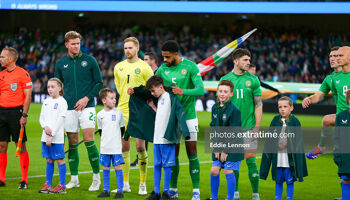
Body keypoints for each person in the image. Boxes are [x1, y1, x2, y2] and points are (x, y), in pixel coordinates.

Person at [54, 31, 103, 191]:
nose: (76, 46)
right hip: (69, 109)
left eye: (78, 43)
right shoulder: (61, 63)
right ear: (67, 44)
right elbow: (57, 86)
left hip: (87, 107)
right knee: (73, 143)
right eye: (73, 43)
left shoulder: (90, 61)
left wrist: (86, 98)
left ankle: (96, 178)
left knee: (89, 140)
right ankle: (74, 179)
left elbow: (99, 83)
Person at [156, 40, 204, 200]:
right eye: (163, 57)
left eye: (167, 57)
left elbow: (201, 89)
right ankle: (173, 189)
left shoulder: (191, 67)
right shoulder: (162, 69)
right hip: (172, 119)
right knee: (173, 155)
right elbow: (153, 88)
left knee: (192, 152)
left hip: (189, 118)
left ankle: (196, 190)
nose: (164, 60)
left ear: (176, 54)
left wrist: (183, 91)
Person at [220, 48, 262, 200]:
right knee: (232, 162)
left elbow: (258, 105)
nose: (248, 63)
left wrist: (257, 126)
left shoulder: (253, 80)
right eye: (245, 60)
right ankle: (235, 193)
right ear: (236, 61)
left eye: (249, 60)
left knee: (250, 159)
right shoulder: (225, 80)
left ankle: (255, 194)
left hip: (249, 127)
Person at [114, 37, 154, 195]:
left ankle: (142, 183)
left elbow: (152, 89)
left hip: (140, 111)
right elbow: (119, 87)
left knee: (139, 146)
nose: (127, 51)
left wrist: (137, 92)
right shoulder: (119, 67)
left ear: (137, 49)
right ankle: (125, 183)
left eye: (130, 48)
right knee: (124, 146)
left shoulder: (145, 67)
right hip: (122, 109)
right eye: (125, 48)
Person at [143, 75, 190, 200]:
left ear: (161, 87)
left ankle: (166, 192)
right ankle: (156, 193)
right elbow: (162, 114)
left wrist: (185, 132)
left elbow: (180, 113)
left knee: (167, 165)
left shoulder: (170, 97)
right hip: (157, 137)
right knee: (157, 164)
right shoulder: (160, 99)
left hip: (166, 138)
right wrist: (153, 107)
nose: (152, 93)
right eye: (151, 91)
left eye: (153, 90)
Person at [260, 96, 307, 200]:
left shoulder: (295, 121)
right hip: (278, 159)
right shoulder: (275, 120)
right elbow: (270, 139)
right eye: (280, 107)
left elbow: (298, 141)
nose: (282, 109)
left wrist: (287, 143)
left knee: (290, 181)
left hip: (289, 160)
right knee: (278, 181)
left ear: (291, 108)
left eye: (285, 106)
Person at [0, 47, 32, 189]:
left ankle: (24, 180)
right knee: (1, 145)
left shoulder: (23, 74)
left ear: (11, 59)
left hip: (16, 112)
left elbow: (28, 96)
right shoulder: (1, 75)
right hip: (2, 113)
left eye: (2, 57)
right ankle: (1, 179)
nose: (0, 59)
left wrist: (24, 114)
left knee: (20, 145)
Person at [207, 80, 244, 200]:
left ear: (231, 94)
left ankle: (230, 198)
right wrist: (217, 148)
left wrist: (225, 151)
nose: (222, 94)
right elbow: (214, 128)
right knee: (214, 171)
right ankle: (213, 198)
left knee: (228, 170)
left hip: (233, 146)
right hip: (219, 144)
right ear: (217, 92)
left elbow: (234, 133)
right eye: (220, 91)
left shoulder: (235, 110)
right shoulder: (214, 107)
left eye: (226, 92)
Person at [302, 47, 341, 159]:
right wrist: (309, 98)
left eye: (336, 56)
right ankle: (321, 147)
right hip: (342, 116)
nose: (332, 59)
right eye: (330, 56)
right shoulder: (329, 79)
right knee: (326, 120)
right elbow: (318, 96)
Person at [38, 78, 68, 194]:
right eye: (48, 87)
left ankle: (62, 186)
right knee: (49, 159)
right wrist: (45, 127)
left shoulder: (62, 102)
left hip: (57, 137)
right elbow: (41, 117)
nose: (50, 89)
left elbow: (60, 120)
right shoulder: (46, 101)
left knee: (60, 159)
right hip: (45, 135)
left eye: (53, 87)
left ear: (59, 88)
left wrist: (52, 135)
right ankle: (48, 184)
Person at [96, 88, 125, 199]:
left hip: (116, 147)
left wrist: (116, 139)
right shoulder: (100, 115)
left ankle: (120, 191)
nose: (114, 100)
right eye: (111, 98)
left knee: (117, 167)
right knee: (106, 168)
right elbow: (101, 131)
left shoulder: (118, 113)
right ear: (104, 100)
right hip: (105, 147)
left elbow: (122, 129)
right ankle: (106, 190)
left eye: (115, 98)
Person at [130, 51, 157, 167]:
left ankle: (155, 158)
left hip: (155, 106)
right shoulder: (144, 72)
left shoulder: (157, 73)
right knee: (143, 132)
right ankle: (139, 158)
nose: (144, 61)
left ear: (153, 60)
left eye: (146, 59)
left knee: (155, 133)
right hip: (146, 105)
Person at [333, 89, 350, 200]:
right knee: (346, 180)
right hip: (345, 157)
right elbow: (336, 138)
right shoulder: (341, 116)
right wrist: (337, 156)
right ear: (348, 100)